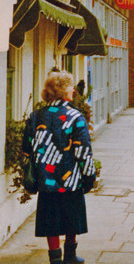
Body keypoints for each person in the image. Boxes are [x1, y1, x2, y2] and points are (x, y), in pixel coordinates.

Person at [22, 71, 96, 264]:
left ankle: (55, 258)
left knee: (51, 220)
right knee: (72, 217)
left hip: (46, 179)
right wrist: (89, 177)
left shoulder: (36, 116)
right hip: (70, 179)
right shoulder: (75, 116)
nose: (73, 89)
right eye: (70, 86)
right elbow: (83, 151)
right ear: (63, 90)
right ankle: (70, 256)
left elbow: (27, 149)